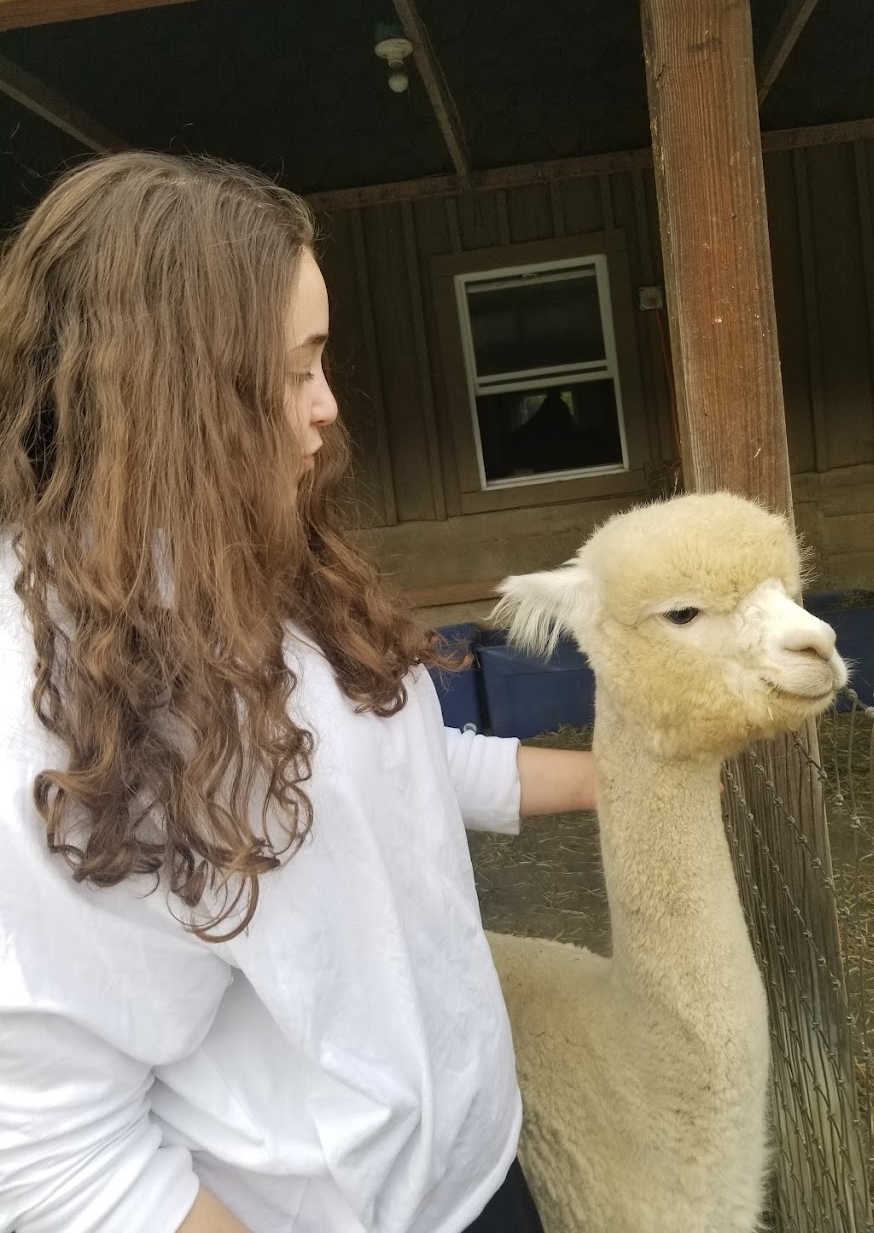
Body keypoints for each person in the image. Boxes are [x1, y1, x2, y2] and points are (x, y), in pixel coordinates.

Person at [0, 153, 596, 1233]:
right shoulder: (43, 689)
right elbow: (48, 1147)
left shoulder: (269, 556)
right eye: (292, 370)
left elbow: (390, 770)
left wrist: (630, 781)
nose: (325, 405)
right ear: (173, 393)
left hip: (472, 1170)